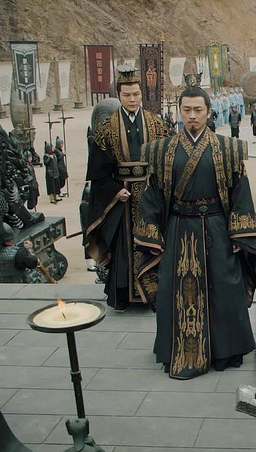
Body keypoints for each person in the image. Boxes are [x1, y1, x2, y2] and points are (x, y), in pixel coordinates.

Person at [135, 78, 256, 379]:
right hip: (178, 228)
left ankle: (226, 351)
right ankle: (178, 351)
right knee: (175, 290)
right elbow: (152, 196)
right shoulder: (160, 151)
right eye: (187, 110)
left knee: (224, 286)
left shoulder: (228, 149)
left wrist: (240, 234)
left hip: (217, 227)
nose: (192, 116)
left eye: (198, 110)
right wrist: (153, 235)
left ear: (208, 112)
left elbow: (240, 192)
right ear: (179, 111)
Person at [84, 66, 171, 311]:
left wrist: (158, 187)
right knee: (123, 247)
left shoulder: (157, 123)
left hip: (150, 193)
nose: (132, 99)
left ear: (141, 94)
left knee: (152, 242)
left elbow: (167, 160)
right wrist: (114, 190)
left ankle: (152, 295)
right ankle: (123, 295)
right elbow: (97, 171)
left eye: (136, 94)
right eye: (127, 95)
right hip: (122, 196)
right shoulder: (107, 128)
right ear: (118, 96)